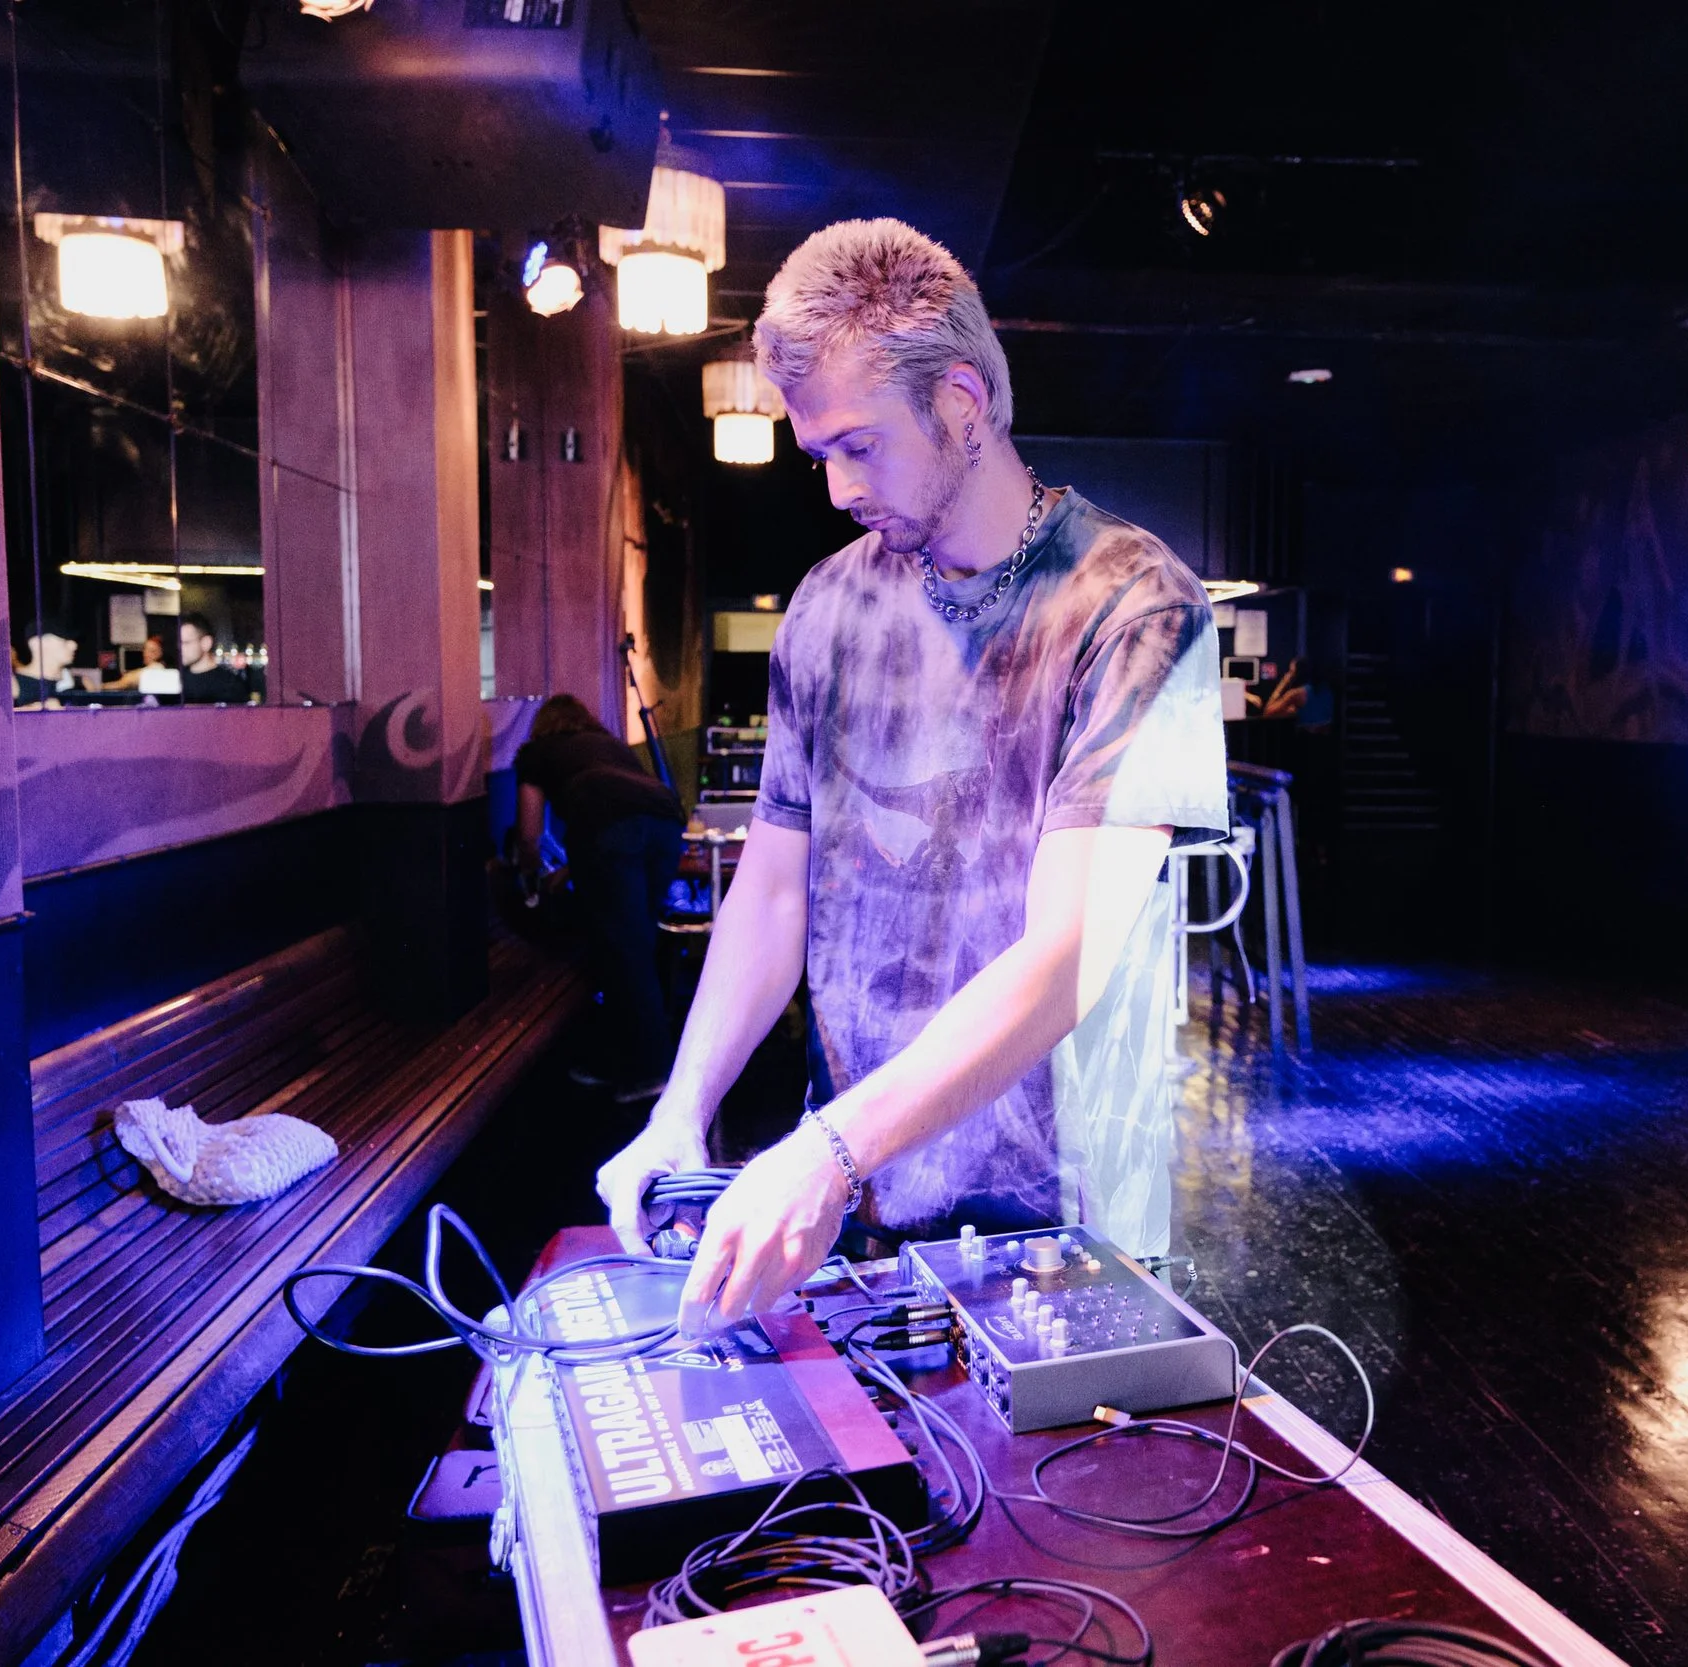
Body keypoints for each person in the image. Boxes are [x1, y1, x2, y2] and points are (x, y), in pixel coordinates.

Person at [594, 218, 1227, 1326]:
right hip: (861, 1198)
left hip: (1062, 1219)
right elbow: (773, 890)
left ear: (961, 404)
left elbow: (1069, 955)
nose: (837, 489)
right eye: (820, 456)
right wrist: (681, 1109)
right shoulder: (827, 606)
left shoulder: (1136, 604)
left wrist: (826, 1150)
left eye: (859, 445)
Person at [513, 694, 687, 1099]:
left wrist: (530, 875)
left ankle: (651, 1073)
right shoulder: (609, 746)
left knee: (625, 953)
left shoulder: (536, 753)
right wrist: (576, 867)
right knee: (636, 944)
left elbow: (529, 834)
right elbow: (627, 813)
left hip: (608, 830)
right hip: (665, 826)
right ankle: (618, 1062)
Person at [177, 616, 250, 704]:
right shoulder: (176, 680)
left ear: (206, 643)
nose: (179, 648)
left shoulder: (230, 685)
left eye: (186, 643)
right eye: (179, 643)